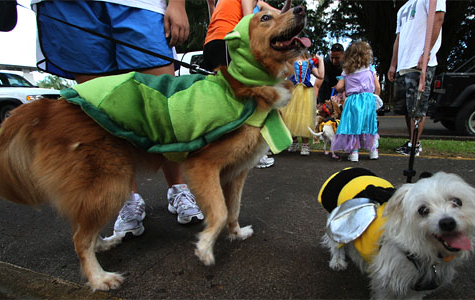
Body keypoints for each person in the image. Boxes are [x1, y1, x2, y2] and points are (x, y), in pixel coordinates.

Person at [32, 0, 204, 242]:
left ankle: (178, 189)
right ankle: (127, 198)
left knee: (162, 107)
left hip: (139, 5)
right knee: (105, 116)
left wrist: (177, 3)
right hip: (68, 7)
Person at [202, 0, 287, 168]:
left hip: (212, 40)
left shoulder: (256, 3)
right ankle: (246, 150)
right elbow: (250, 23)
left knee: (221, 97)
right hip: (230, 40)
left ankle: (214, 147)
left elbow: (280, 15)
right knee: (244, 97)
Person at [387, 0, 446, 156]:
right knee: (407, 107)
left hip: (419, 62)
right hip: (404, 64)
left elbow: (438, 19)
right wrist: (393, 64)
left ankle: (415, 144)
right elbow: (398, 38)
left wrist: (425, 54)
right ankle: (411, 141)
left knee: (418, 105)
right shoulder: (403, 8)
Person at [330, 41, 381, 162]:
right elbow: (377, 86)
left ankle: (354, 152)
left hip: (353, 101)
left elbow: (340, 86)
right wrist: (374, 98)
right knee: (369, 124)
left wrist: (337, 88)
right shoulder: (370, 69)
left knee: (354, 126)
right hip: (368, 99)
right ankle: (373, 151)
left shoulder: (347, 71)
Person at [282, 52, 324, 155]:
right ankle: (294, 141)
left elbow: (320, 75)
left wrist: (321, 60)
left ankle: (305, 144)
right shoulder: (289, 60)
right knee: (291, 116)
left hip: (305, 92)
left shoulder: (309, 62)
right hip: (292, 91)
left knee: (304, 117)